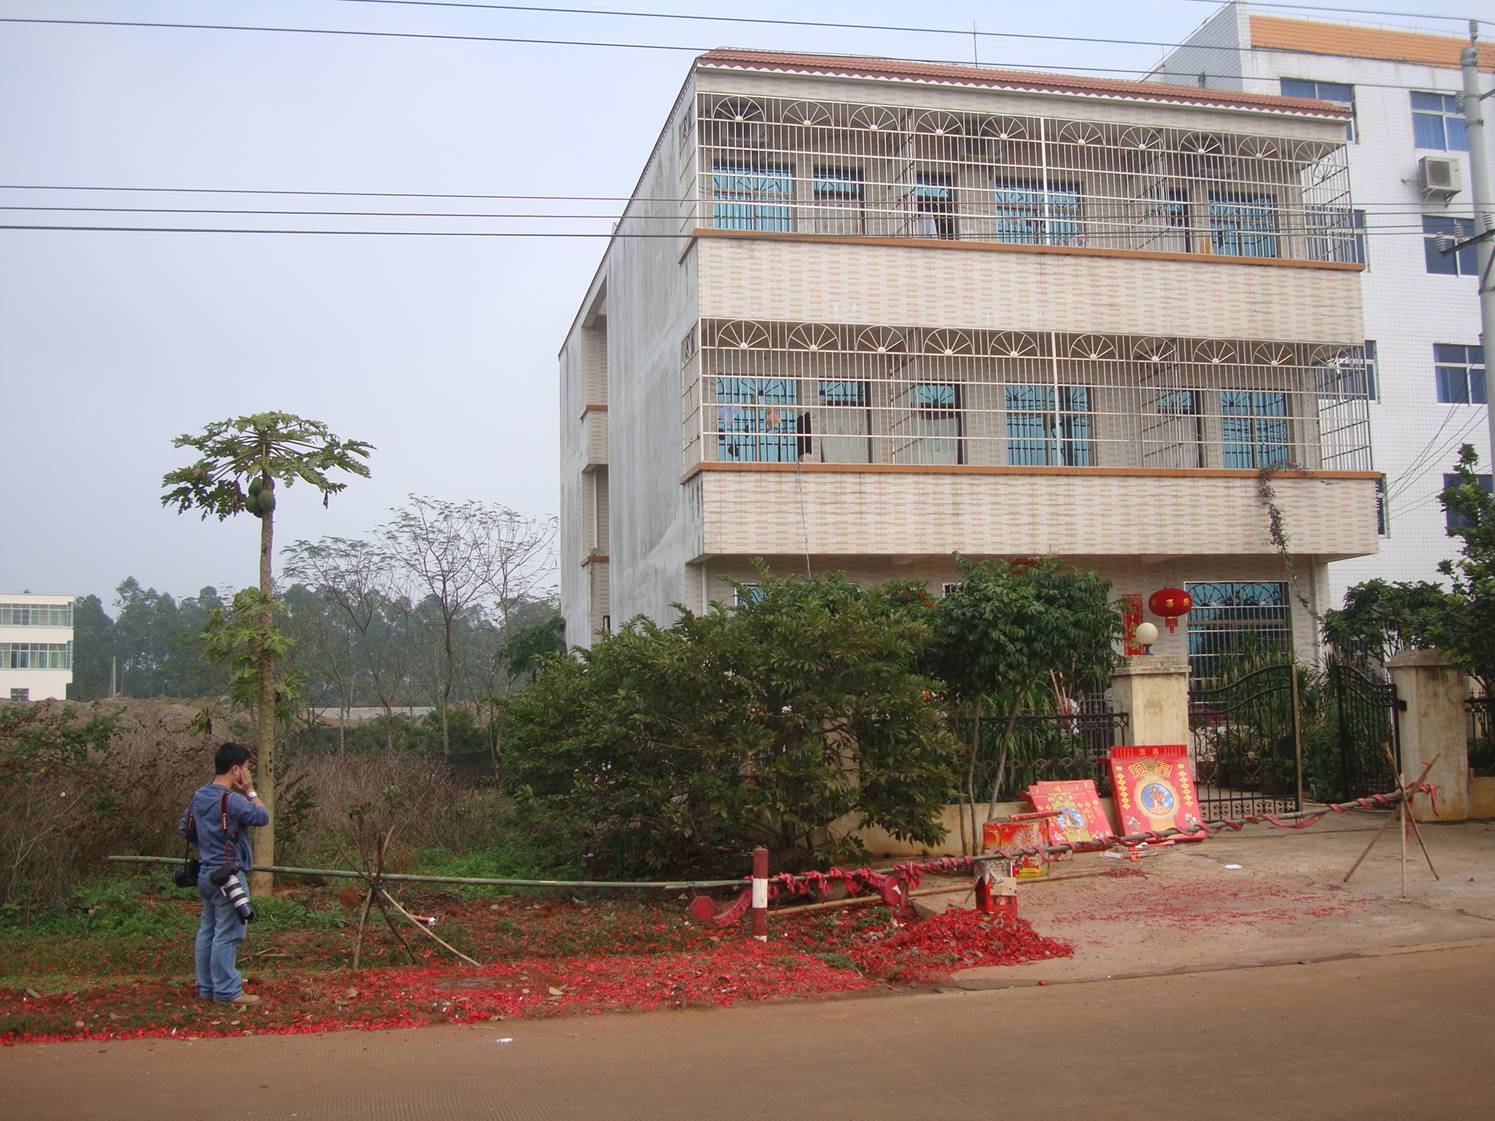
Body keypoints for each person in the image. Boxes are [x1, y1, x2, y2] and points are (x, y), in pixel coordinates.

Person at [179, 742, 269, 1006]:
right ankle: (228, 992)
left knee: (208, 930)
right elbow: (262, 816)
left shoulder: (199, 796)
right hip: (228, 875)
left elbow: (185, 829)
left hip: (206, 872)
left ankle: (207, 987)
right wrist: (250, 790)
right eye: (247, 769)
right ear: (236, 770)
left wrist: (208, 842)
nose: (247, 773)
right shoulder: (232, 801)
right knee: (228, 933)